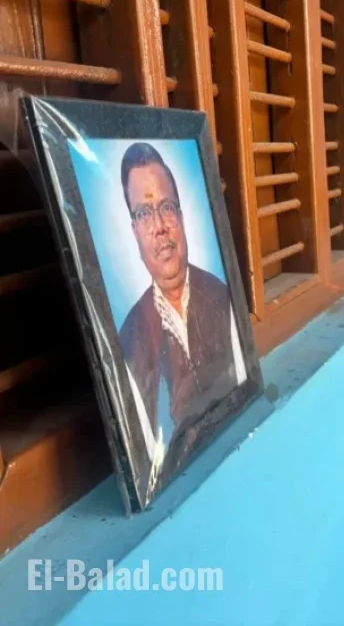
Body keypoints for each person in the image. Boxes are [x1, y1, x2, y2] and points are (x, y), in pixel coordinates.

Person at [118, 142, 246, 475]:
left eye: (167, 207)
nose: (159, 225)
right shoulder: (129, 339)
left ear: (182, 217)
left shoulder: (222, 297)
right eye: (144, 214)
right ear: (134, 231)